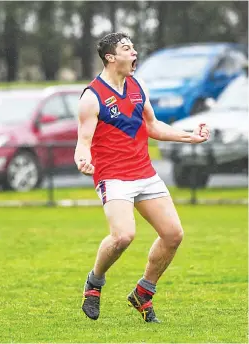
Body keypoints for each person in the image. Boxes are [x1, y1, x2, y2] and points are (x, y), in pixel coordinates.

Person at [74, 32, 210, 323]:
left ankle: (143, 293)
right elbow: (83, 141)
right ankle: (94, 283)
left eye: (133, 46)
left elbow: (153, 126)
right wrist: (82, 159)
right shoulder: (92, 96)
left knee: (173, 234)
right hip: (112, 175)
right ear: (111, 57)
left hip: (144, 172)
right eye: (127, 48)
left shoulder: (138, 86)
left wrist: (190, 138)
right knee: (123, 235)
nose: (134, 51)